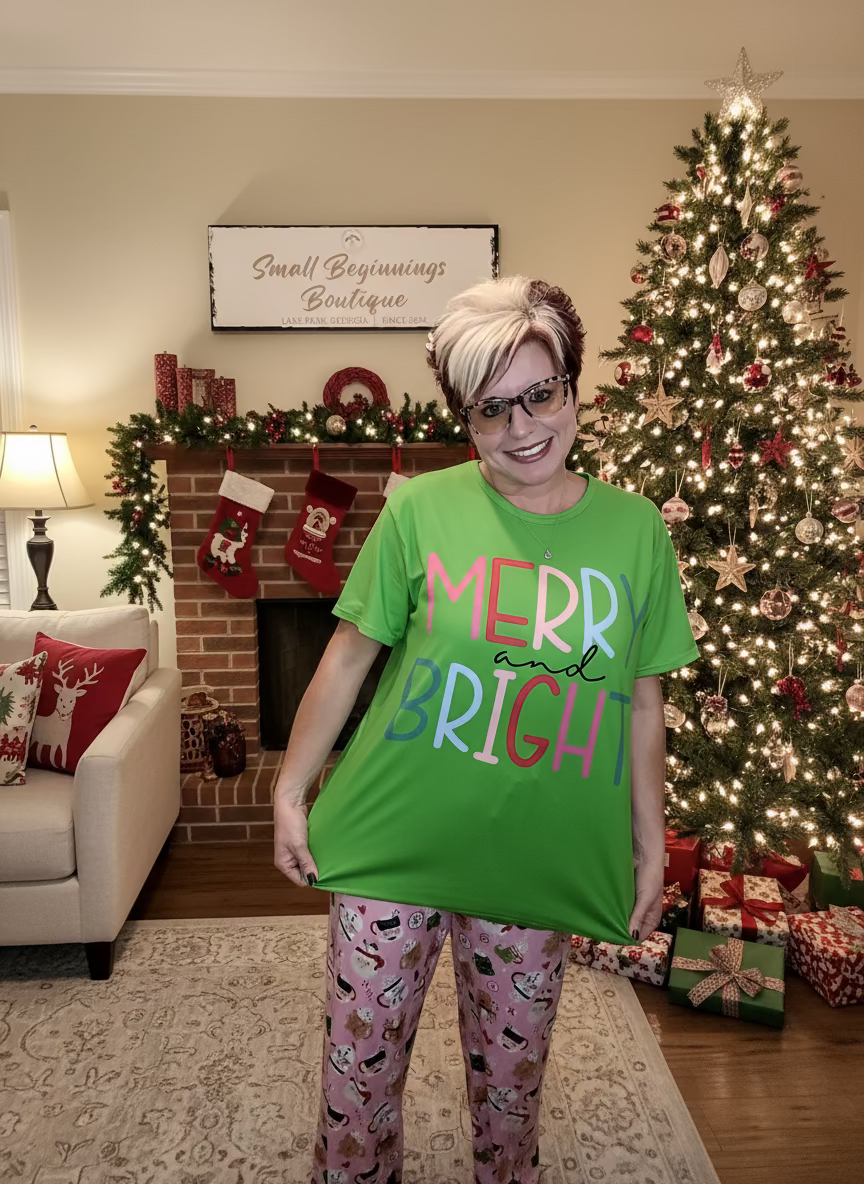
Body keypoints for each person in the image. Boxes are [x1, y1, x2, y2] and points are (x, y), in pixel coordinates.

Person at [274, 276, 699, 1184]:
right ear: (465, 418)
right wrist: (285, 790)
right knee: (358, 1085)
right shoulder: (418, 511)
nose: (521, 429)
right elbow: (348, 657)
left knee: (511, 1094)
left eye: (540, 394)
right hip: (393, 841)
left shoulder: (636, 534)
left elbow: (643, 701)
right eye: (491, 409)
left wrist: (649, 842)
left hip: (531, 859)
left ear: (573, 384)